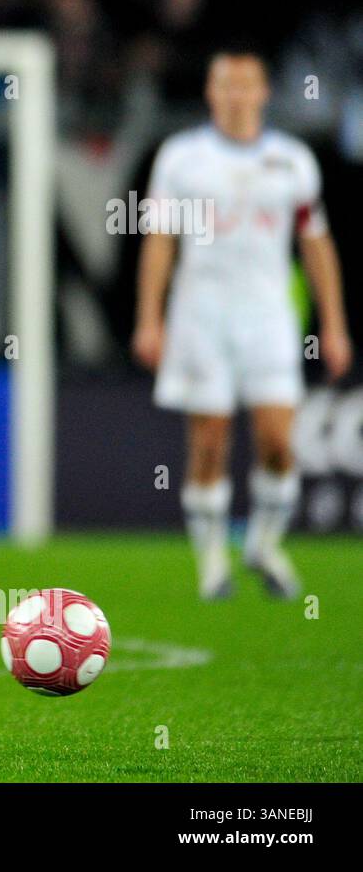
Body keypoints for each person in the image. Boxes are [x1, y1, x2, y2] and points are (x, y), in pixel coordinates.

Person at [132, 48, 353, 600]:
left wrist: (335, 324)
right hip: (200, 313)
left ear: (262, 92)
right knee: (209, 442)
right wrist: (148, 319)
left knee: (279, 441)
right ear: (210, 92)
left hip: (269, 315)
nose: (234, 95)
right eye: (224, 85)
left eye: (245, 85)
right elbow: (159, 241)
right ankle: (211, 563)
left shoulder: (293, 160)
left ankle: (263, 543)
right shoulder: (181, 158)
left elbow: (316, 244)